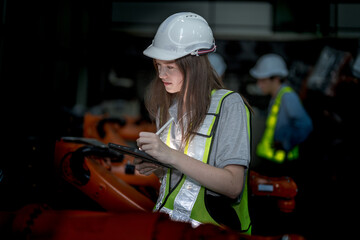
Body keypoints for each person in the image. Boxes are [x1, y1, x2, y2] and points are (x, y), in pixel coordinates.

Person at [134, 12, 252, 233]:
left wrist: (169, 155)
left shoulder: (229, 105)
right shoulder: (167, 108)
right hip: (168, 229)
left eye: (169, 67)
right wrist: (158, 167)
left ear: (194, 65)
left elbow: (233, 185)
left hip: (212, 233)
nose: (161, 74)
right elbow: (177, 178)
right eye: (158, 66)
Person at [249, 53, 313, 176]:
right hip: (273, 160)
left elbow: (306, 125)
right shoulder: (277, 96)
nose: (259, 84)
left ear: (276, 79)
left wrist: (285, 143)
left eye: (263, 80)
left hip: (282, 164)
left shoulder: (288, 96)